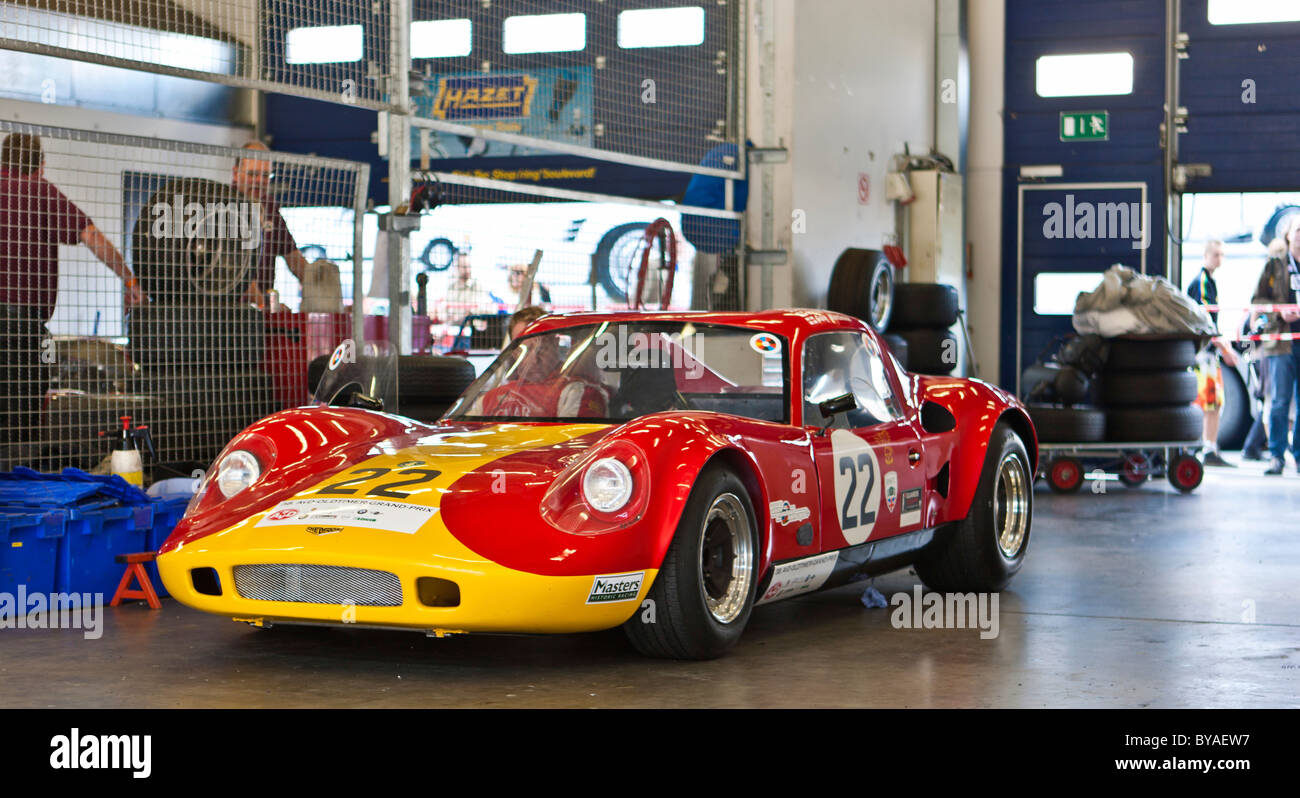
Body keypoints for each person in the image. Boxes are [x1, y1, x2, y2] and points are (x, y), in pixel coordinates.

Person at [1, 133, 144, 451]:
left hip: (20, 322)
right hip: (21, 325)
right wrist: (130, 281)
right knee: (22, 412)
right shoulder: (40, 190)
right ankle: (17, 479)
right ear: (40, 165)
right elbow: (90, 236)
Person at [231, 141, 311, 306]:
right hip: (231, 310)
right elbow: (235, 273)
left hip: (260, 311)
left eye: (266, 175)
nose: (260, 181)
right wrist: (265, 308)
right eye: (253, 174)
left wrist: (321, 283)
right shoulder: (223, 208)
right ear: (236, 173)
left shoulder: (270, 208)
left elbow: (294, 259)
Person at [1251, 216, 1300, 475]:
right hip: (1282, 343)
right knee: (1280, 401)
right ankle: (1277, 455)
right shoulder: (1275, 266)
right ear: (1289, 235)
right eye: (1299, 230)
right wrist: (1280, 314)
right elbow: (1258, 300)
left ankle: (1299, 456)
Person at [1186, 239, 1237, 467]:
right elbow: (1206, 322)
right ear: (1206, 255)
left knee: (1214, 402)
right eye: (1216, 254)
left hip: (1208, 353)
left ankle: (1209, 448)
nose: (1220, 259)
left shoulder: (1209, 281)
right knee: (1205, 402)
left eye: (1222, 255)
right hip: (1202, 353)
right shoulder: (1202, 282)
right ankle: (1200, 448)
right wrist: (1225, 348)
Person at [437, 241, 491, 323]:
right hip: (454, 329)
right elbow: (443, 313)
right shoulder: (452, 287)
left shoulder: (478, 286)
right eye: (464, 267)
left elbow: (488, 308)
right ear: (457, 267)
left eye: (468, 266)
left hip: (472, 331)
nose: (467, 270)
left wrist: (471, 312)